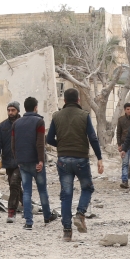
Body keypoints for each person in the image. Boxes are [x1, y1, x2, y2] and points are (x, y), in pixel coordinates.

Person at [47, 88, 104, 241]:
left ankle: (67, 231)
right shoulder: (84, 115)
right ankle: (80, 214)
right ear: (78, 100)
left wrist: (61, 145)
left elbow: (49, 138)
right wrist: (99, 157)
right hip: (81, 159)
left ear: (64, 101)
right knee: (87, 188)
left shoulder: (56, 116)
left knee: (66, 195)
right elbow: (92, 138)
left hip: (63, 160)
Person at [12, 96, 56, 230]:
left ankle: (28, 222)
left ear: (24, 108)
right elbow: (40, 143)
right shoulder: (39, 122)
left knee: (26, 192)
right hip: (36, 162)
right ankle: (47, 216)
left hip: (23, 162)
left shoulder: (16, 123)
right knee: (42, 190)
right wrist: (41, 160)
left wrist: (17, 160)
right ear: (36, 107)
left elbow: (13, 145)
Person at [0, 101, 23, 223]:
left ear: (18, 111)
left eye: (13, 110)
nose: (10, 112)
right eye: (9, 110)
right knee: (13, 185)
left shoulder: (23, 124)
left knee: (14, 183)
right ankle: (27, 206)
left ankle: (11, 212)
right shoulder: (2, 126)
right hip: (8, 161)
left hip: (21, 161)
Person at [116, 102, 130, 189]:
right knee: (125, 163)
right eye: (128, 109)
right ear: (125, 110)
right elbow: (118, 133)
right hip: (124, 144)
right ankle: (124, 181)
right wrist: (119, 145)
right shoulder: (121, 119)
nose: (129, 111)